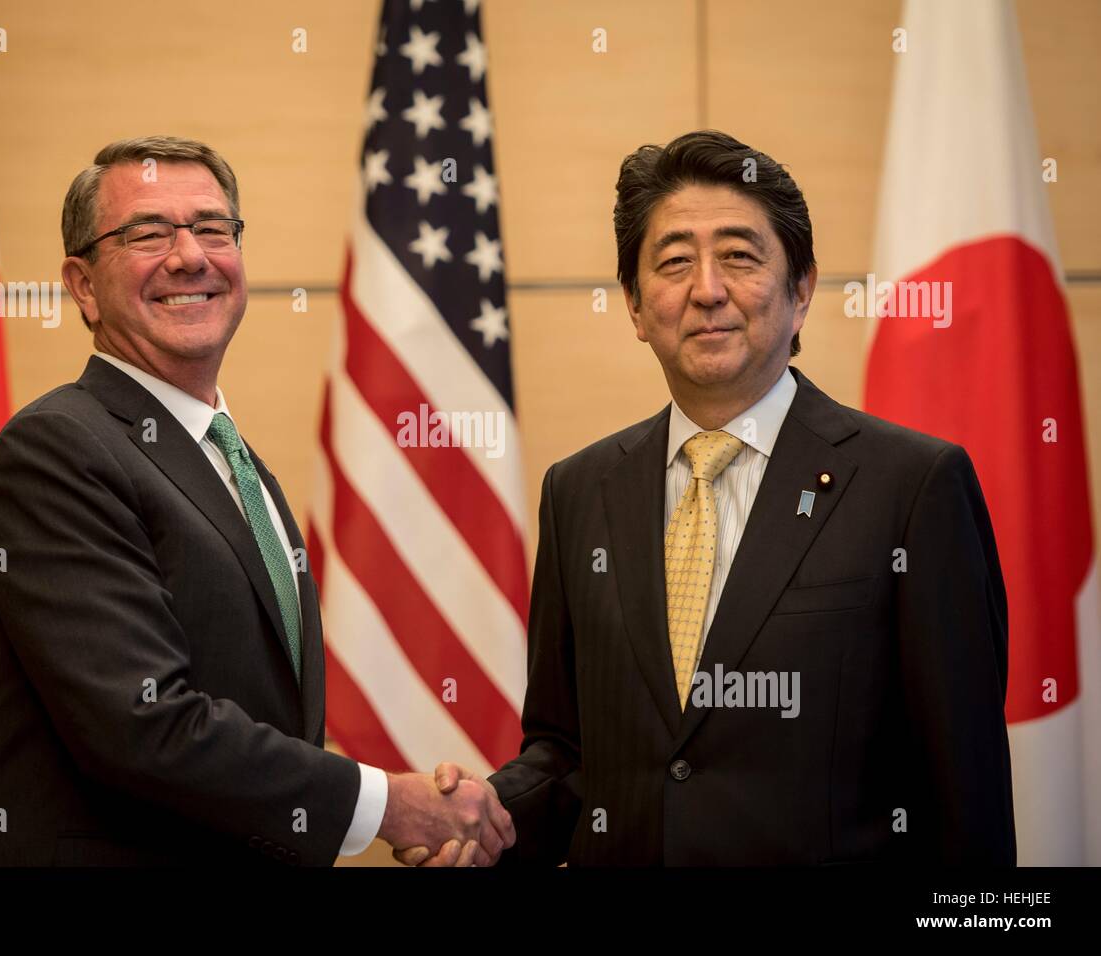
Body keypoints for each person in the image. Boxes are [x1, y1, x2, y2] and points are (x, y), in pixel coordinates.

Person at [401, 129, 1015, 866]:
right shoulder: (580, 491)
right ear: (633, 304)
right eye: (673, 262)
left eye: (739, 256)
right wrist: (486, 824)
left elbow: (964, 796)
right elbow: (569, 752)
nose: (707, 289)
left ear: (802, 290)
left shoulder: (912, 488)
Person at [0, 136, 512, 866]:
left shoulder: (239, 467)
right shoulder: (57, 451)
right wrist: (387, 805)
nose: (190, 257)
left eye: (213, 229)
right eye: (148, 233)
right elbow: (146, 727)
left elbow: (264, 723)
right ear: (83, 284)